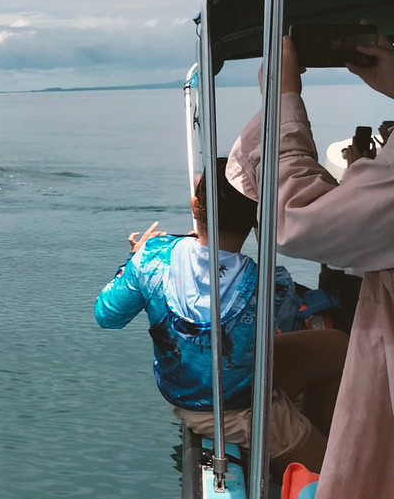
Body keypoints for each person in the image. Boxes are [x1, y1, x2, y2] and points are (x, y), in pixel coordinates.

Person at [226, 32, 394, 499]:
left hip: (223, 402)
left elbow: (302, 218)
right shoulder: (257, 279)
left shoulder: (163, 263)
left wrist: (283, 92)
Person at [95, 158, 347, 472]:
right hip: (237, 410)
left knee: (336, 346)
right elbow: (282, 321)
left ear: (195, 206)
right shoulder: (270, 285)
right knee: (340, 475)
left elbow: (107, 315)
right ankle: (302, 444)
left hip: (190, 391)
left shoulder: (151, 259)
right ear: (256, 215)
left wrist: (133, 261)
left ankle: (303, 434)